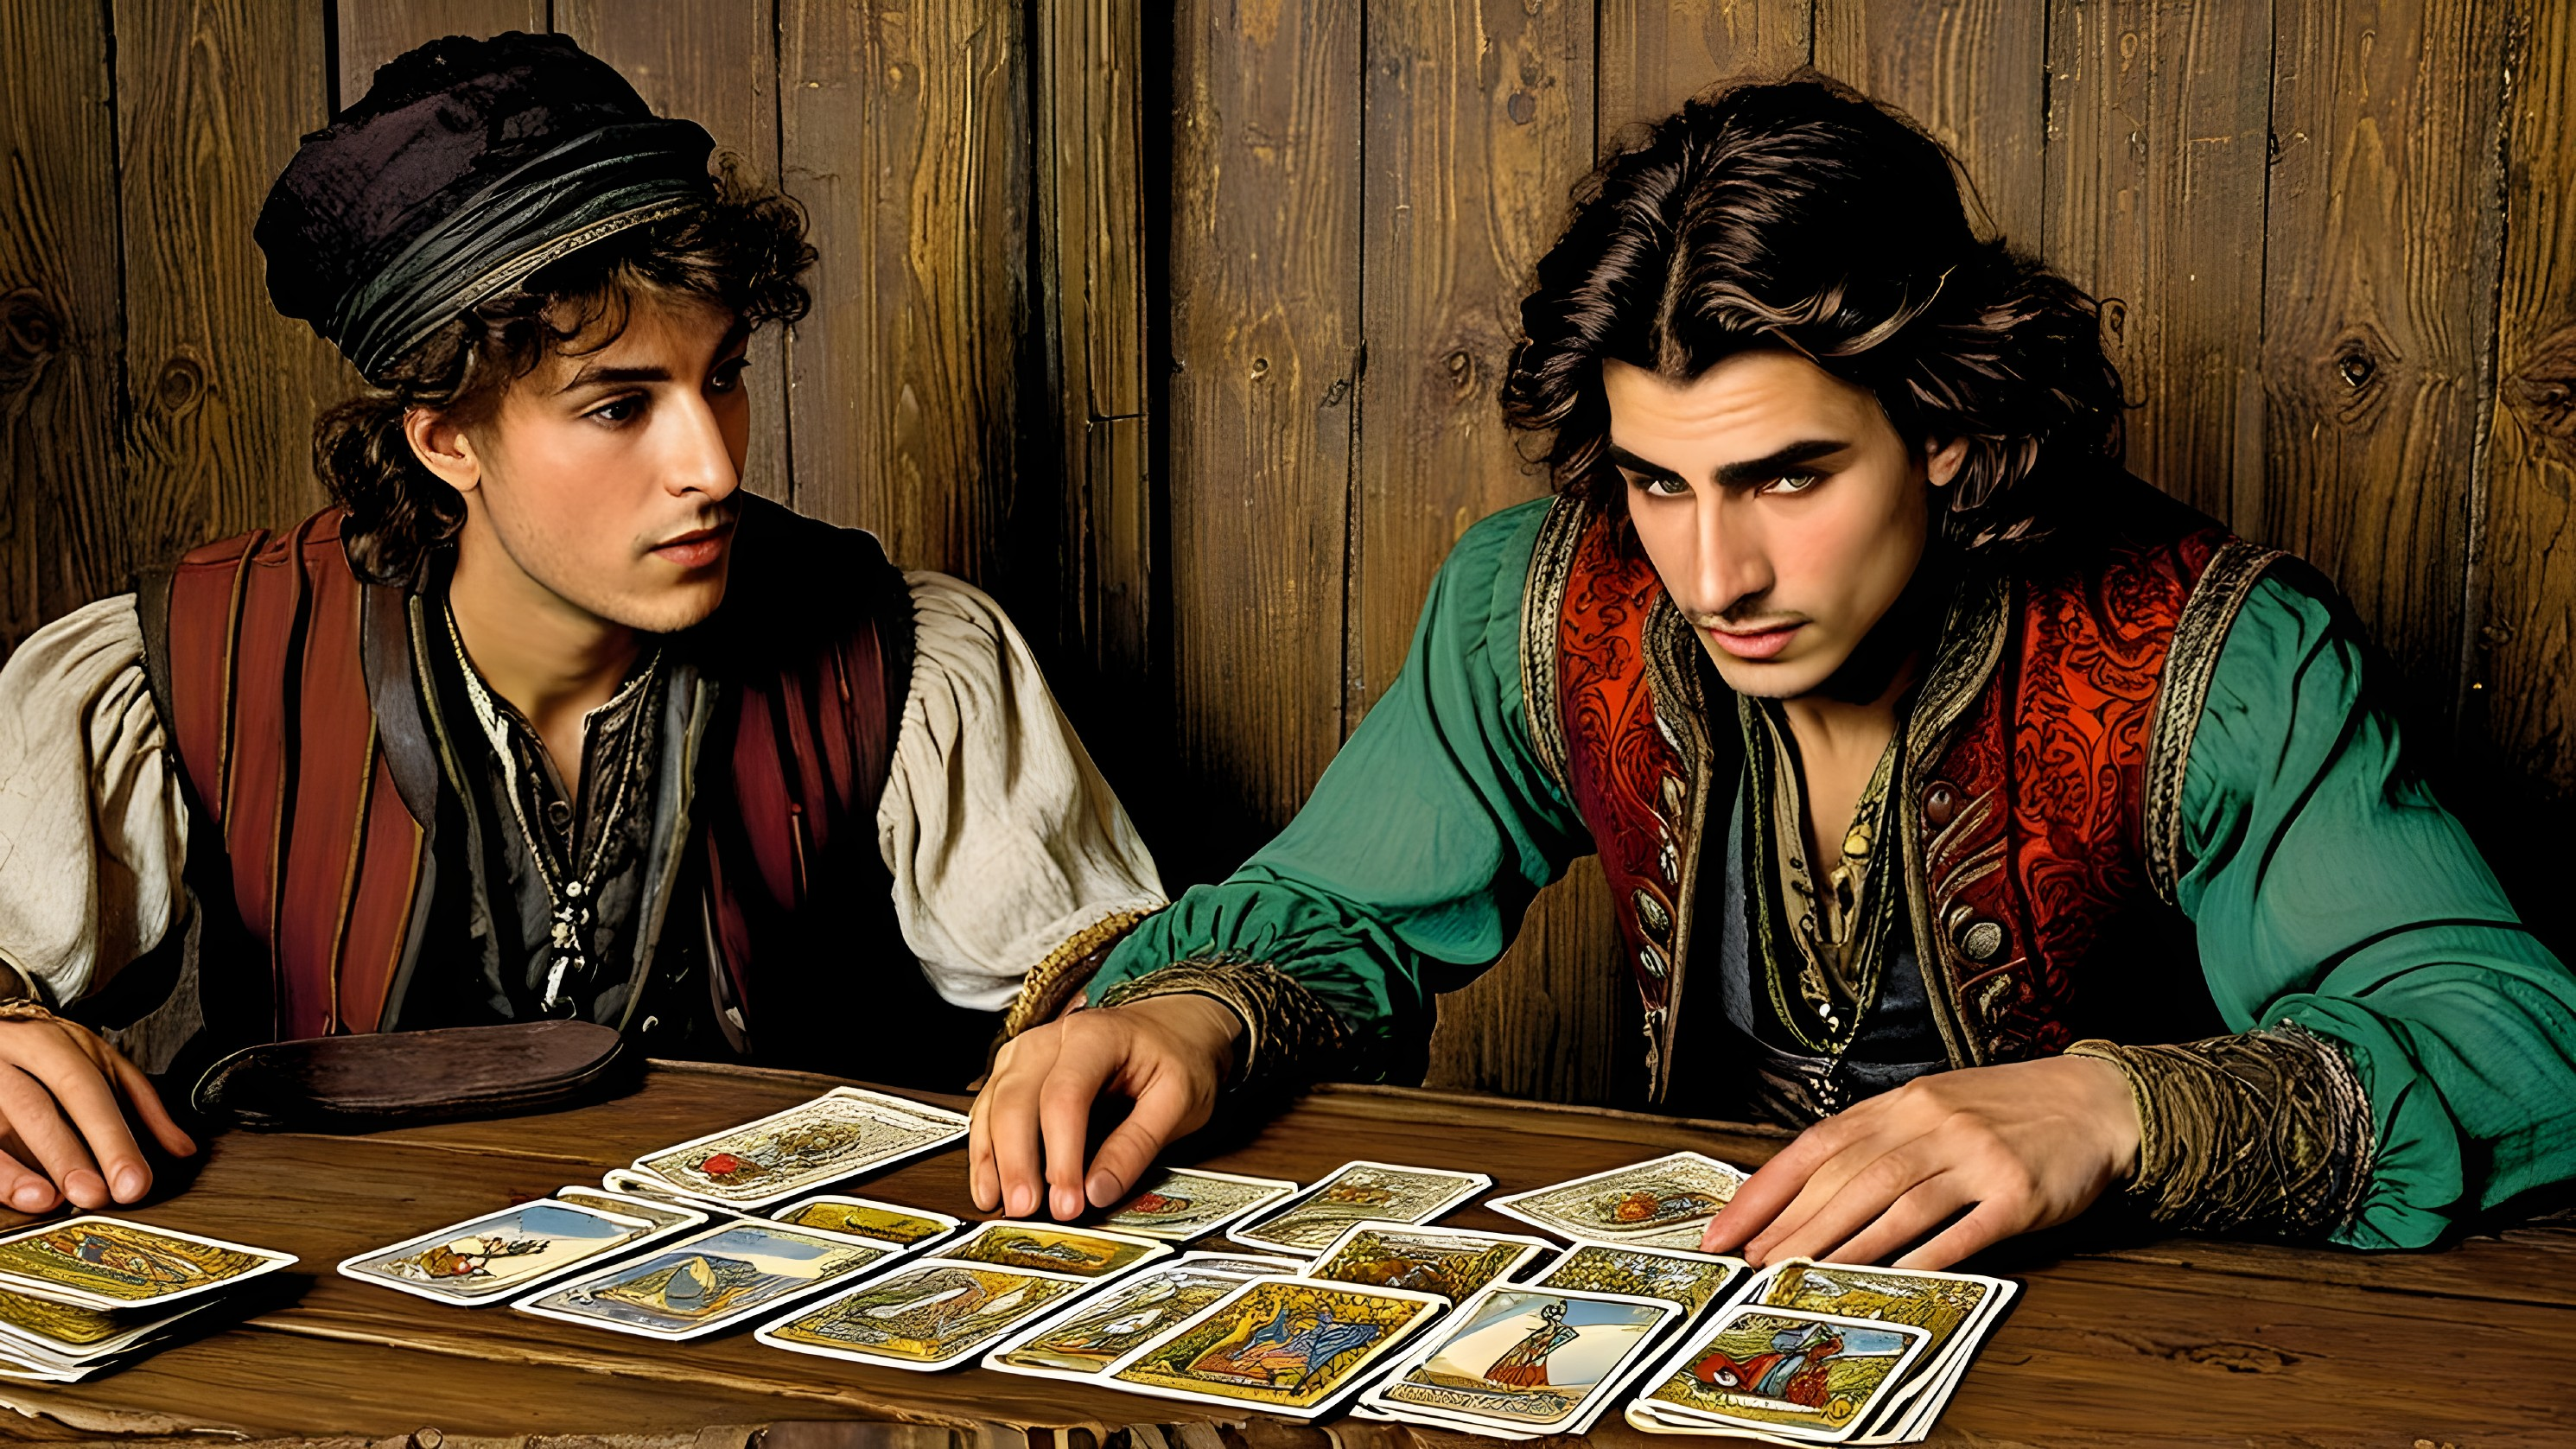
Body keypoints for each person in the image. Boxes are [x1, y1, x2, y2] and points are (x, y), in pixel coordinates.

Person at [969, 74, 2576, 1266]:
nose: (1713, 573)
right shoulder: (1538, 606)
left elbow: (2512, 1035)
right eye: (1660, 481)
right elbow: (1337, 908)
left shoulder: (2216, 656)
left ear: (1944, 428)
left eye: (1789, 477)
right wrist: (1186, 1016)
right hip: (1698, 1318)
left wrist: (2117, 1110)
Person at [0, 34, 1162, 1217]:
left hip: (765, 1319)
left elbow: (1100, 983)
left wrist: (1113, 1020)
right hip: (329, 1316)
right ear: (445, 438)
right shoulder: (189, 656)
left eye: (722, 376)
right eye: (619, 406)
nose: (711, 466)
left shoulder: (895, 650)